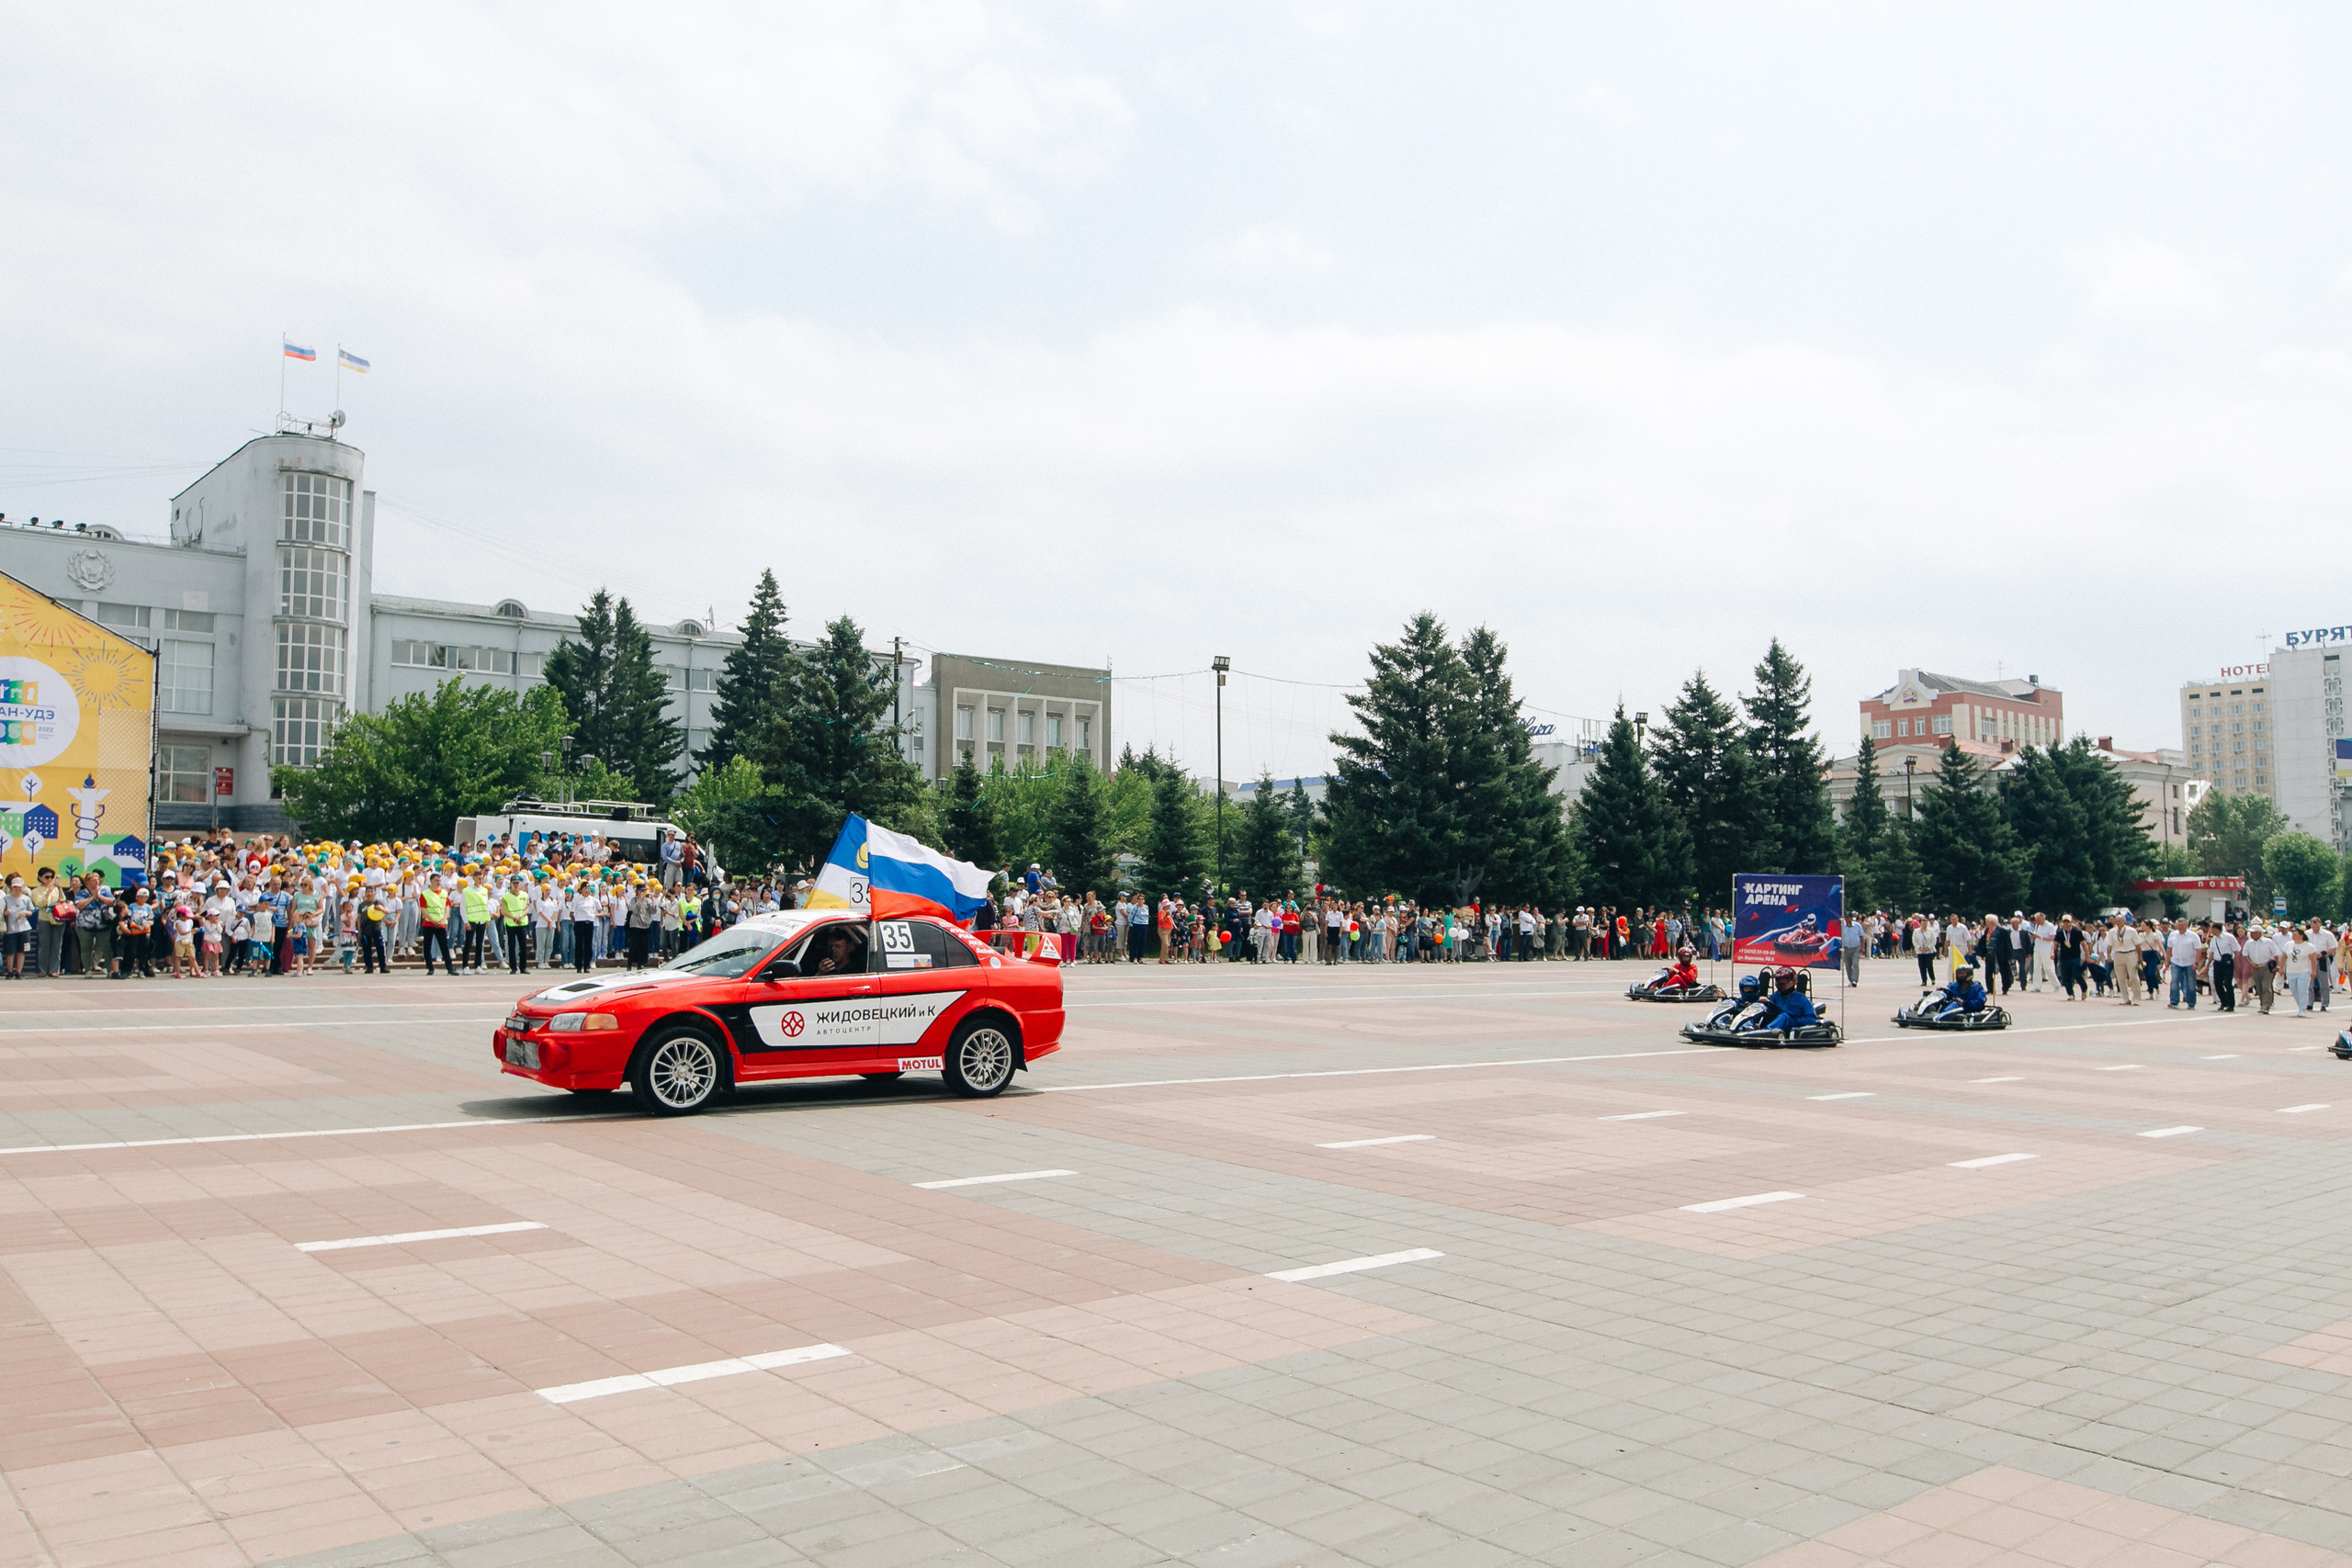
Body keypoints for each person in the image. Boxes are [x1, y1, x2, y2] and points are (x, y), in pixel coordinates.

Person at [2165, 919, 2203, 1009]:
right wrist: (2167, 961)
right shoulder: (2173, 935)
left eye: (2182, 925)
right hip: (2176, 961)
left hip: (2189, 962)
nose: (2180, 927)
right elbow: (2169, 949)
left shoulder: (2193, 936)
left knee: (2190, 983)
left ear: (2186, 926)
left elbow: (2198, 950)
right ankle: (2174, 1001)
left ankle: (2191, 1002)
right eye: (2179, 925)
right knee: (2174, 981)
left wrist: (2196, 962)